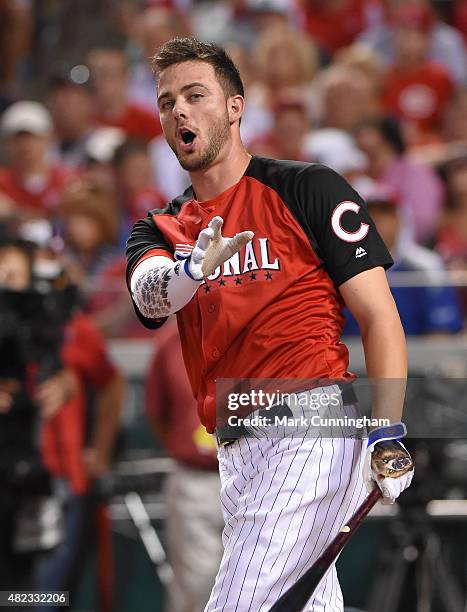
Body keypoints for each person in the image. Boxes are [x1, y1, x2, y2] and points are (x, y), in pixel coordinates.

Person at [125, 38, 414, 611]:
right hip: (234, 450)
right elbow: (151, 298)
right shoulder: (160, 227)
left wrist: (386, 429)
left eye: (195, 95)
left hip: (311, 426)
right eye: (166, 102)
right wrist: (187, 271)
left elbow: (380, 317)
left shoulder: (308, 187)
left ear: (235, 107)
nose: (178, 110)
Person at [145, 319, 223, 612]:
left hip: (255, 477)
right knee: (196, 587)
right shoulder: (170, 342)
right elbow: (156, 413)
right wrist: (183, 446)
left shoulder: (254, 331)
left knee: (255, 585)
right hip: (195, 478)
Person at [343, 182, 463, 336]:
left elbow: (441, 332)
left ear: (399, 220)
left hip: (418, 357)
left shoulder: (426, 266)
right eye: (371, 214)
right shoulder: (343, 268)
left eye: (386, 214)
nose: (377, 220)